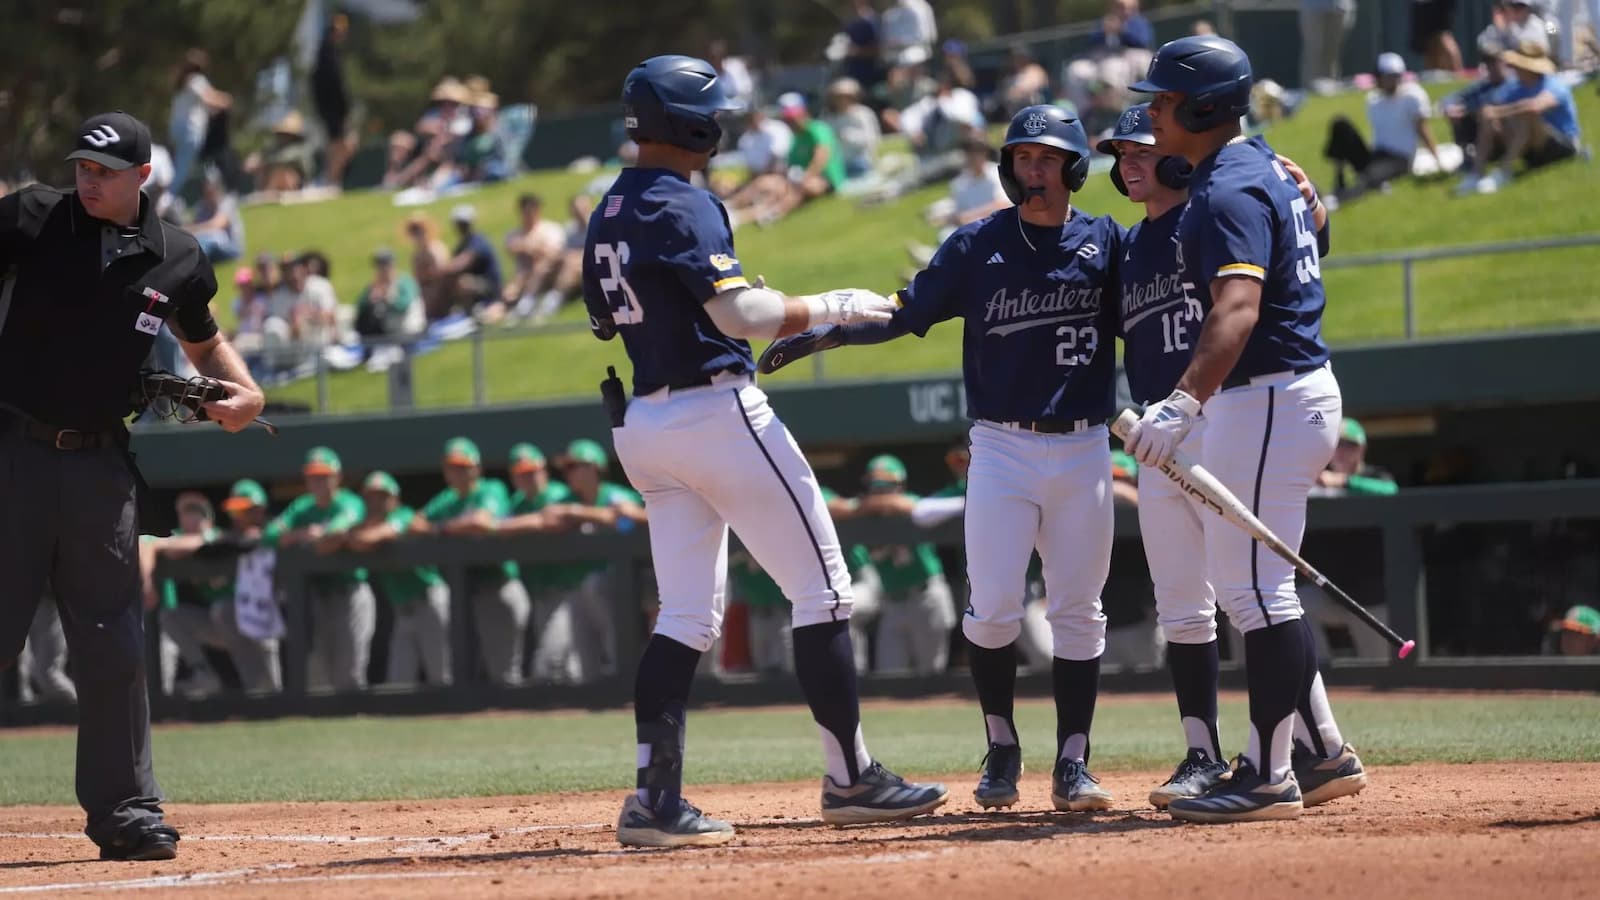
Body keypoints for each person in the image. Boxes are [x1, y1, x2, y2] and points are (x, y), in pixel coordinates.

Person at [584, 54, 947, 848]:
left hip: (645, 424)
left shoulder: (608, 205)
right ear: (691, 123)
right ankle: (851, 778)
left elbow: (614, 322)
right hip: (715, 414)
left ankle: (653, 799)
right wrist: (832, 308)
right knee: (825, 593)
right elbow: (741, 312)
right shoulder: (685, 200)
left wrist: (771, 322)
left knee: (683, 616)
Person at [760, 105, 1125, 815]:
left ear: (1075, 168)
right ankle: (1002, 745)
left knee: (1080, 613)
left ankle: (1074, 763)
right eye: (1023, 158)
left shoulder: (1107, 242)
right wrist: (825, 332)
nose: (1034, 170)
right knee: (991, 611)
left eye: (1048, 159)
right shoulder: (977, 244)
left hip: (1084, 444)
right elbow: (904, 310)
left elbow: (1155, 303)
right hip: (1001, 445)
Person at [0, 111, 265, 861]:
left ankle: (126, 811)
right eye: (82, 165)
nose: (88, 179)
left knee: (113, 646)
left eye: (105, 172)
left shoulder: (177, 255)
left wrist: (246, 393)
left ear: (142, 177)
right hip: (11, 454)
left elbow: (204, 339)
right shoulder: (30, 216)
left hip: (99, 469)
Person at [1127, 34, 1367, 822]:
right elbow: (1307, 235)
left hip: (1266, 395)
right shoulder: (1259, 165)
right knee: (1260, 592)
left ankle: (1268, 774)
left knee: (1256, 594)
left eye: (1162, 99)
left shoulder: (1228, 187)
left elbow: (1237, 309)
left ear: (1200, 106)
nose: (1152, 110)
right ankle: (1316, 754)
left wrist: (1181, 403)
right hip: (1284, 394)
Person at [1099, 100, 1330, 810]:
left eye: (1140, 149)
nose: (1130, 163)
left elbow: (1277, 280)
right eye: (1120, 156)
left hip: (1223, 410)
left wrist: (1320, 216)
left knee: (1253, 594)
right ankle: (1308, 748)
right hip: (1173, 430)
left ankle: (1286, 758)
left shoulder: (1215, 201)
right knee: (1222, 598)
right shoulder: (1126, 246)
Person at [412, 437, 530, 686]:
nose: (459, 472)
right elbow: (415, 524)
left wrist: (440, 529)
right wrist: (447, 528)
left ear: (477, 468)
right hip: (468, 592)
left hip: (499, 587)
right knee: (470, 673)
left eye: (464, 466)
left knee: (505, 675)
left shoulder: (491, 488)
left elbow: (482, 522)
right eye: (453, 467)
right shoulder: (447, 499)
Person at [263, 447, 374, 691]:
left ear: (337, 477)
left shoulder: (349, 501)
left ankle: (355, 719)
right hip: (319, 594)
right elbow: (270, 534)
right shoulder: (303, 506)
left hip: (350, 591)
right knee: (321, 668)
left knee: (350, 667)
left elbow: (339, 529)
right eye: (313, 475)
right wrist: (305, 534)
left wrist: (310, 536)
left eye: (324, 475)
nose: (318, 481)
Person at [849, 455, 956, 675]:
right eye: (874, 484)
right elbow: (842, 508)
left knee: (931, 675)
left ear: (899, 485)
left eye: (885, 484)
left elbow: (910, 505)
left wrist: (871, 505)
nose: (879, 490)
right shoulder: (864, 516)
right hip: (893, 603)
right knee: (889, 674)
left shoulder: (911, 504)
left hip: (925, 597)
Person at [345, 471, 452, 687]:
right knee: (399, 681)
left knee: (440, 676)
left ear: (394, 498)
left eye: (382, 496)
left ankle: (454, 718)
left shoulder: (404, 515)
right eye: (371, 497)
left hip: (428, 600)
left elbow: (379, 535)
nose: (376, 502)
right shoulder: (364, 523)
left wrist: (352, 537)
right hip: (402, 609)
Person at [1456, 41, 1581, 195]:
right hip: (1531, 147)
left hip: (1562, 145)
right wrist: (1487, 113)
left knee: (1527, 116)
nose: (1513, 68)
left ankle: (1504, 171)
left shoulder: (1554, 85)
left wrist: (1498, 112)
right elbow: (1493, 105)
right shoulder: (1515, 86)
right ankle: (1476, 173)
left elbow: (1534, 107)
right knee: (1491, 118)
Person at [1323, 52, 1443, 207]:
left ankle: (1343, 199)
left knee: (1371, 174)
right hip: (1378, 154)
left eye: (1395, 76)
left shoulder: (1412, 97)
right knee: (1340, 124)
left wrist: (1438, 160)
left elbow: (1423, 129)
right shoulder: (1374, 100)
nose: (1393, 81)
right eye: (1388, 76)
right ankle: (1339, 183)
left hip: (1400, 158)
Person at [312, 13, 356, 189]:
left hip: (335, 111)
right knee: (340, 146)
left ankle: (332, 180)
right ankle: (330, 181)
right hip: (333, 111)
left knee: (341, 146)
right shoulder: (326, 54)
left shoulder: (331, 52)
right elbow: (331, 87)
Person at [1300, 0, 1357, 91]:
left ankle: (1331, 87)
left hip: (1341, 5)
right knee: (1315, 49)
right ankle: (1311, 88)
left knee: (1333, 52)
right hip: (1313, 6)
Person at [1411, 0, 1464, 72]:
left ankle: (1458, 74)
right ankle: (1433, 77)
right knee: (1428, 44)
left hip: (1438, 5)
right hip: (1422, 7)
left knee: (1443, 37)